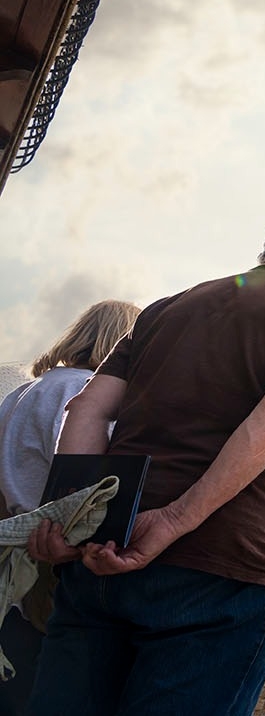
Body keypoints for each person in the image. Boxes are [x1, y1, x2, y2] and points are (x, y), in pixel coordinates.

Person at [25, 211, 265, 716]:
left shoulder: (165, 309)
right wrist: (177, 519)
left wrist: (68, 520)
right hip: (226, 567)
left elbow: (87, 407)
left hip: (105, 556)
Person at [0, 301, 139, 716]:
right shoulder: (81, 395)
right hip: (53, 562)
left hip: (11, 564)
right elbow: (83, 486)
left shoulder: (19, 395)